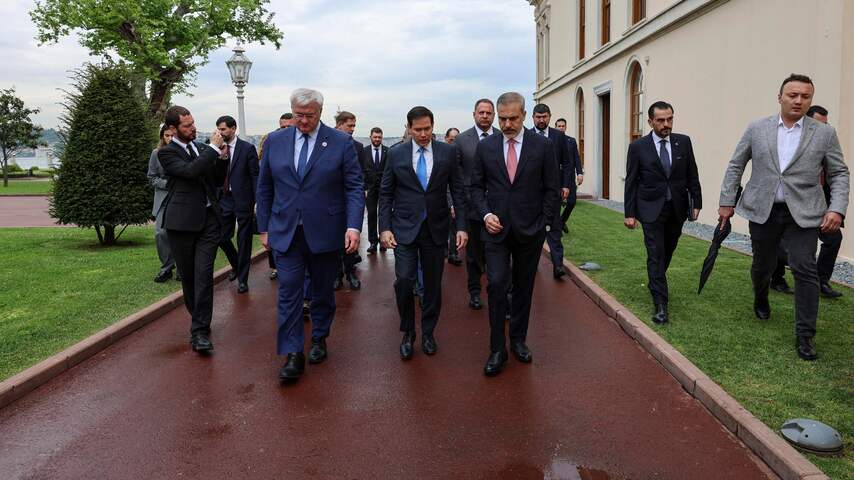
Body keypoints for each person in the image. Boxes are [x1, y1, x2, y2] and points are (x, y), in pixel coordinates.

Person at [718, 74, 849, 361]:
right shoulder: (757, 128)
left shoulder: (824, 133)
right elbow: (736, 164)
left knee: (805, 267)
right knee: (762, 265)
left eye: (805, 96)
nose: (798, 100)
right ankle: (761, 295)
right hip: (763, 210)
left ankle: (805, 334)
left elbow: (839, 173)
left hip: (804, 212)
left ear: (810, 100)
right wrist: (727, 201)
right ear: (780, 97)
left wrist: (837, 208)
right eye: (792, 95)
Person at [256, 88, 365, 382]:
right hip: (286, 231)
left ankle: (319, 336)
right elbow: (264, 186)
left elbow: (354, 187)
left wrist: (353, 226)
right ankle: (293, 353)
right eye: (298, 115)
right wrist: (263, 227)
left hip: (326, 231)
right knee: (289, 291)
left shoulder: (340, 142)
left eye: (310, 115)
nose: (303, 121)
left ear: (320, 112)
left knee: (322, 290)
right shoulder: (275, 141)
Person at [470, 92, 559, 376]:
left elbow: (551, 188)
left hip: (530, 231)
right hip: (495, 231)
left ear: (524, 115)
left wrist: (543, 222)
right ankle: (497, 349)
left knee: (523, 287)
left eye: (513, 119)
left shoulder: (542, 146)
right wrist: (486, 215)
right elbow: (475, 188)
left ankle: (518, 340)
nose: (507, 124)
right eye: (503, 119)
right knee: (497, 284)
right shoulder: (486, 147)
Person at [379, 107, 467, 359]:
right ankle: (408, 332)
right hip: (404, 229)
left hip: (435, 229)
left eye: (427, 128)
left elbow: (458, 190)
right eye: (418, 129)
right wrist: (384, 228)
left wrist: (461, 227)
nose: (423, 134)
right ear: (409, 128)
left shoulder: (447, 152)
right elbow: (386, 193)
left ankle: (428, 332)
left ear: (433, 126)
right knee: (405, 281)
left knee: (432, 285)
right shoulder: (395, 153)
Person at [158, 106, 228, 353]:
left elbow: (215, 180)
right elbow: (190, 172)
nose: (193, 128)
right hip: (181, 224)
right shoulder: (167, 153)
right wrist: (212, 150)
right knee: (188, 278)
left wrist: (222, 159)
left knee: (203, 275)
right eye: (187, 126)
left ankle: (199, 331)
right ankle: (199, 318)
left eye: (193, 123)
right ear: (172, 128)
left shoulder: (200, 148)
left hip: (208, 221)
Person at [624, 101, 702, 325]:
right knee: (656, 253)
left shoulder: (683, 142)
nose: (666, 124)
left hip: (676, 208)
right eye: (661, 120)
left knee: (667, 251)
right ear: (650, 122)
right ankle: (660, 303)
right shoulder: (638, 147)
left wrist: (697, 202)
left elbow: (692, 174)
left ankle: (655, 279)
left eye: (669, 119)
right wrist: (629, 213)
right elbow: (631, 181)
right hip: (650, 209)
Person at [770, 105, 844, 299]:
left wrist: (835, 209)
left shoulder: (827, 142)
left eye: (826, 124)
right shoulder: (792, 142)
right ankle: (776, 278)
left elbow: (837, 174)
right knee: (783, 245)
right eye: (820, 123)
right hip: (791, 205)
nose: (823, 128)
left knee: (834, 239)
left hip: (819, 206)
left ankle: (820, 281)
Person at [454, 99, 499, 310]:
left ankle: (498, 292)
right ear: (474, 114)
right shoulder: (461, 140)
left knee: (498, 254)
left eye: (489, 113)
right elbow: (454, 176)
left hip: (497, 208)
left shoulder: (502, 137)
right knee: (473, 255)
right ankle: (474, 292)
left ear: (494, 115)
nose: (485, 116)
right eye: (481, 112)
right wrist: (454, 203)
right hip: (471, 208)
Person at [215, 115, 259, 294]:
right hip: (224, 199)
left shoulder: (247, 148)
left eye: (223, 129)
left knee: (244, 240)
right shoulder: (216, 148)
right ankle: (237, 265)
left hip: (243, 200)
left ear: (233, 129)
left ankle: (243, 280)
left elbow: (255, 175)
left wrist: (257, 200)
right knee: (221, 238)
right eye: (218, 129)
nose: (220, 132)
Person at [531, 104, 572, 279]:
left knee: (554, 230)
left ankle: (558, 265)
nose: (541, 120)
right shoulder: (526, 136)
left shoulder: (559, 136)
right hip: (531, 194)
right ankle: (531, 265)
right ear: (533, 117)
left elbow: (567, 163)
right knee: (533, 232)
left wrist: (566, 185)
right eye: (538, 117)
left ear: (549, 117)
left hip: (553, 192)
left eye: (544, 116)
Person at [332, 111, 366, 291]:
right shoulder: (326, 143)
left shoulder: (358, 147)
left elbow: (361, 173)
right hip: (331, 201)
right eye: (349, 125)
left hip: (350, 200)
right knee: (334, 239)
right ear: (339, 124)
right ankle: (336, 274)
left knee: (351, 237)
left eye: (354, 126)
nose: (353, 129)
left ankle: (350, 272)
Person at [266, 113, 297, 280]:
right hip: (279, 209)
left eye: (288, 127)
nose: (284, 130)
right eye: (282, 127)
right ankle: (275, 267)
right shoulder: (273, 144)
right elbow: (264, 183)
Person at [148, 125, 178, 283]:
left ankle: (182, 267)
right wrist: (166, 184)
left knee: (180, 234)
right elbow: (151, 177)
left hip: (181, 198)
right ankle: (167, 267)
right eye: (167, 135)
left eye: (172, 135)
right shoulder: (156, 153)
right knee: (160, 233)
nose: (170, 138)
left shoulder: (183, 152)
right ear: (162, 137)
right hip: (163, 199)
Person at [554, 118, 584, 233]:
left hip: (569, 176)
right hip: (556, 177)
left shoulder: (571, 141)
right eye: (559, 126)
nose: (561, 128)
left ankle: (562, 222)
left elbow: (576, 158)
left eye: (563, 126)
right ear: (555, 127)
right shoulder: (551, 140)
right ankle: (556, 227)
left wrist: (579, 173)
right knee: (556, 203)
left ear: (566, 127)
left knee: (571, 202)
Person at [363, 127, 388, 254]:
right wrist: (364, 187)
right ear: (370, 137)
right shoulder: (364, 151)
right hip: (370, 189)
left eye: (379, 137)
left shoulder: (388, 151)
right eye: (375, 137)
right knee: (371, 214)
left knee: (383, 214)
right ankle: (373, 242)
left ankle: (383, 241)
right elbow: (361, 170)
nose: (377, 139)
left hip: (384, 189)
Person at [444, 128, 462, 266]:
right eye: (451, 140)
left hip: (454, 198)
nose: (454, 143)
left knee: (454, 227)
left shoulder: (460, 156)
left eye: (457, 140)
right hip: (440, 199)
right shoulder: (441, 155)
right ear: (446, 139)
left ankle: (452, 253)